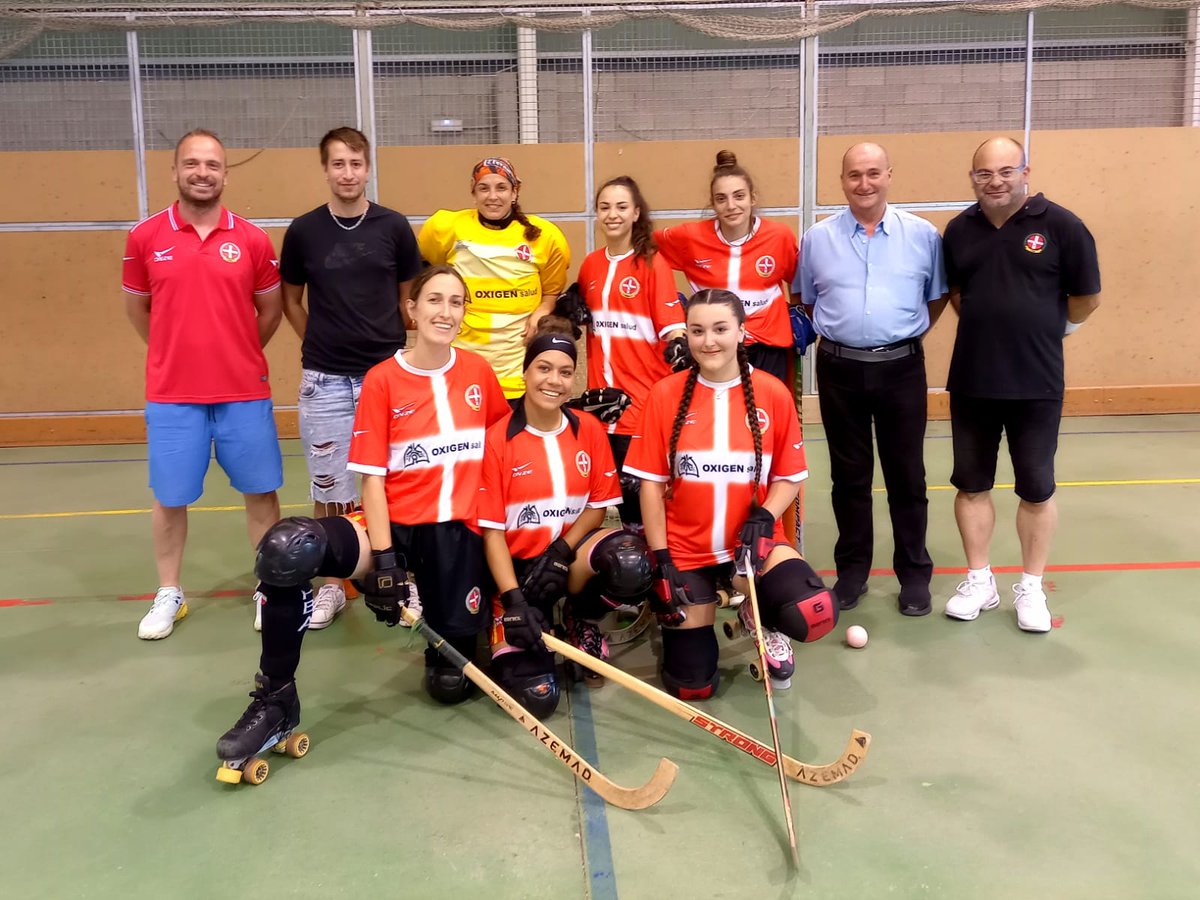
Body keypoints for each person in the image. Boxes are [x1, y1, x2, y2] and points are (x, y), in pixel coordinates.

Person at [215, 266, 509, 769]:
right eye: (434, 300)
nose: (445, 311)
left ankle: (471, 628)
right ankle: (275, 700)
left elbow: (505, 446)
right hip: (392, 527)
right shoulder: (383, 379)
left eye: (456, 302)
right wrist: (388, 559)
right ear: (411, 309)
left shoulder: (479, 374)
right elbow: (372, 478)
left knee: (448, 685)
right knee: (289, 549)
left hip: (458, 535)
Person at [624, 289, 838, 698]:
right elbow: (650, 485)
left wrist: (765, 516)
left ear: (742, 331)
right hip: (687, 550)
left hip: (752, 547)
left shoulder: (772, 393)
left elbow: (790, 476)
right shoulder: (665, 395)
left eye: (721, 329)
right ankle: (726, 608)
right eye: (697, 330)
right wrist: (662, 556)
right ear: (686, 335)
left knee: (815, 611)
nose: (709, 341)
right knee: (693, 686)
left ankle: (760, 615)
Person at [123, 128, 283, 641]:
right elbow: (139, 309)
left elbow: (271, 309)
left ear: (225, 174)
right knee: (170, 498)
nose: (202, 173)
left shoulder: (253, 239)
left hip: (244, 390)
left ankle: (269, 586)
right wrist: (176, 350)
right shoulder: (145, 237)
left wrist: (234, 349)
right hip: (173, 395)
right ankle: (170, 590)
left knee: (261, 492)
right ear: (174, 171)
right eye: (191, 163)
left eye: (212, 165)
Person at [941, 137, 1101, 632]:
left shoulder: (1063, 226)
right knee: (971, 485)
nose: (996, 181)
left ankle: (1031, 587)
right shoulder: (959, 230)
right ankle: (980, 580)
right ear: (972, 178)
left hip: (1037, 382)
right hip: (972, 380)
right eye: (984, 174)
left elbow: (1086, 298)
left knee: (1035, 488)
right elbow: (958, 293)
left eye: (1006, 171)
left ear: (1025, 171)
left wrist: (1045, 331)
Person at [793, 142, 948, 617]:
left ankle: (914, 575)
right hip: (839, 369)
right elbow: (806, 298)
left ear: (889, 175)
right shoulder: (817, 239)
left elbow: (936, 298)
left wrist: (897, 335)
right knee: (849, 478)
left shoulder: (923, 236)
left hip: (902, 368)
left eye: (873, 173)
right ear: (842, 181)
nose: (864, 183)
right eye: (854, 175)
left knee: (907, 477)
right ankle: (853, 572)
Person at [278, 126, 422, 630]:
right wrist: (315, 339)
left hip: (386, 375)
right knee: (331, 488)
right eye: (338, 164)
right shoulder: (303, 231)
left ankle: (402, 575)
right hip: (325, 380)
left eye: (356, 164)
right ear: (325, 169)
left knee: (399, 480)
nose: (347, 173)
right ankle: (333, 585)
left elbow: (409, 298)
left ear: (368, 168)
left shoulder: (394, 227)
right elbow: (291, 300)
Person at [479, 318, 656, 715]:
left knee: (631, 561)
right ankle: (509, 619)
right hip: (519, 572)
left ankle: (581, 620)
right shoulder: (496, 438)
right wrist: (513, 601)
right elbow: (491, 533)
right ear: (525, 372)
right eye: (543, 368)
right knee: (539, 698)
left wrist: (560, 549)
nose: (554, 381)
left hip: (568, 558)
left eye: (565, 372)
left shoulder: (589, 429)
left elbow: (597, 506)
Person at [564, 175, 686, 527]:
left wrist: (681, 345)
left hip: (642, 410)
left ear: (636, 213)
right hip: (601, 409)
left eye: (621, 207)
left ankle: (656, 578)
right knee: (603, 503)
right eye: (604, 207)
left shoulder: (652, 265)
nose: (612, 214)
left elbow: (671, 327)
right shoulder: (591, 266)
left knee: (643, 511)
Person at [418, 157, 570, 398]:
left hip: (517, 371)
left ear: (515, 192)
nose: (492, 196)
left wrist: (544, 308)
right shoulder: (445, 229)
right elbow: (434, 270)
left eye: (501, 188)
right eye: (483, 188)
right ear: (473, 192)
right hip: (463, 367)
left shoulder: (546, 237)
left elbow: (551, 289)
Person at [654, 150, 798, 385]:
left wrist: (796, 311)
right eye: (721, 198)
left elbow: (796, 277)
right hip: (714, 347)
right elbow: (642, 250)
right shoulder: (689, 237)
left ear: (753, 198)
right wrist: (670, 306)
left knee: (766, 417)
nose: (731, 206)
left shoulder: (779, 236)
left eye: (739, 196)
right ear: (713, 203)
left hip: (767, 348)